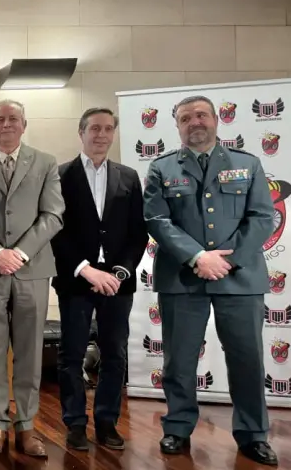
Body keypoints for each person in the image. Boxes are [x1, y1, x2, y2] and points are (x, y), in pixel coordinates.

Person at [143, 95, 278, 466]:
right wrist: (198, 257)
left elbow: (262, 217)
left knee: (247, 360)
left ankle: (253, 435)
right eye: (186, 118)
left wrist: (226, 261)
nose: (195, 122)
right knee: (179, 360)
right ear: (178, 126)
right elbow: (157, 220)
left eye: (201, 115)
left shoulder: (247, 163)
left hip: (240, 278)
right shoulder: (162, 167)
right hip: (182, 278)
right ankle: (178, 427)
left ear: (217, 120)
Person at [0, 99, 64, 458]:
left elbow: (53, 215)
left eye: (13, 119)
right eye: (0, 120)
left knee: (29, 350)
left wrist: (20, 253)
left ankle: (26, 425)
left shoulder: (45, 162)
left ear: (24, 125)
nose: (6, 124)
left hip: (32, 269)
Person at [50, 108, 147, 451]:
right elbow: (55, 230)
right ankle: (75, 423)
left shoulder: (129, 177)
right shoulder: (59, 176)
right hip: (76, 278)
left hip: (118, 282)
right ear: (81, 132)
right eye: (94, 128)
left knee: (115, 354)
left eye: (108, 128)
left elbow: (138, 233)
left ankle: (107, 422)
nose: (101, 134)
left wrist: (120, 272)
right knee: (71, 355)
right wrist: (84, 268)